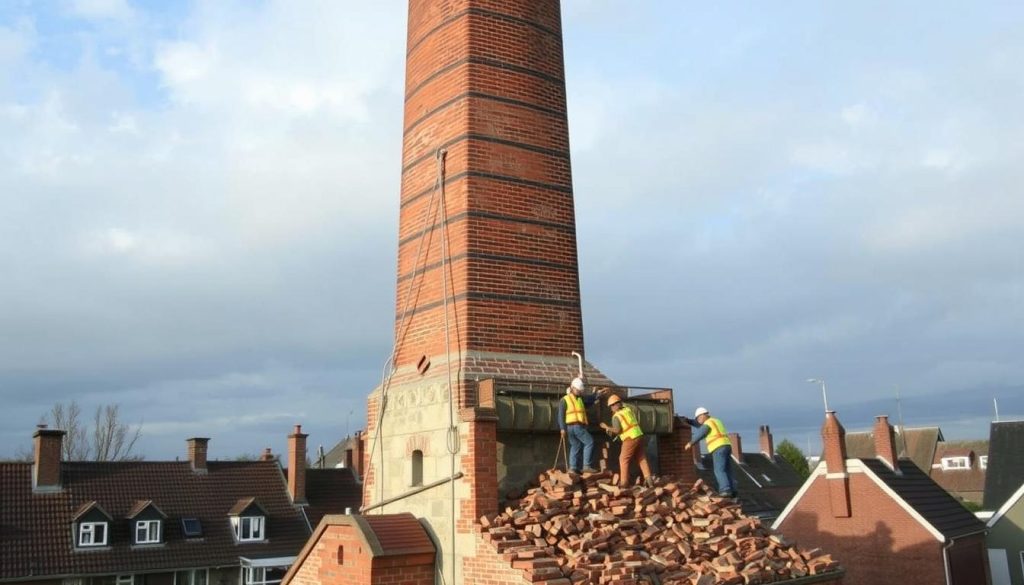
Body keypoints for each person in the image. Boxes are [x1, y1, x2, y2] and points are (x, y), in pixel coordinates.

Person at [600, 394, 654, 488]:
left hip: (630, 438)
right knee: (641, 458)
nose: (611, 408)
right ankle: (649, 480)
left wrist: (606, 427)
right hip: (639, 435)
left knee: (623, 459)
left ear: (614, 405)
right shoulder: (627, 410)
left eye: (611, 406)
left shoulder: (616, 416)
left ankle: (624, 482)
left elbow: (617, 430)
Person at [683, 407, 735, 497]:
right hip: (726, 446)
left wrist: (690, 443)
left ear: (703, 415)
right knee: (727, 470)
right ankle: (732, 490)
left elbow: (701, 432)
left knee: (719, 470)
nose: (698, 420)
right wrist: (689, 421)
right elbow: (699, 425)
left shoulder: (708, 423)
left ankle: (725, 490)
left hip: (718, 447)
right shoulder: (715, 421)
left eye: (698, 418)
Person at [558, 377, 599, 474]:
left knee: (575, 445)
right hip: (576, 426)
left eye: (580, 391)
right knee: (589, 442)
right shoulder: (565, 400)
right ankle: (586, 466)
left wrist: (596, 394)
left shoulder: (579, 399)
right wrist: (562, 429)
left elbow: (589, 400)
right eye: (578, 390)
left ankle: (573, 468)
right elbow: (561, 415)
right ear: (572, 388)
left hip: (571, 428)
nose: (579, 392)